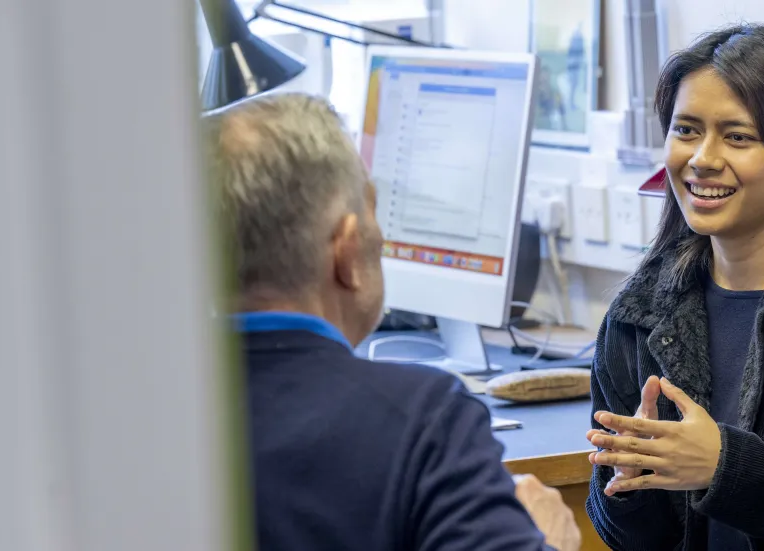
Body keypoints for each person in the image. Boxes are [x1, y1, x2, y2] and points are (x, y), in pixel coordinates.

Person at [201, 93, 582, 551]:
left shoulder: (133, 414)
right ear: (346, 251)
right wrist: (545, 541)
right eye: (371, 212)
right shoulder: (424, 421)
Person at [584, 24, 764, 551]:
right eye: (687, 130)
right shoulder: (637, 315)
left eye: (738, 136)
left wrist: (726, 466)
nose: (702, 158)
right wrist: (628, 487)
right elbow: (631, 539)